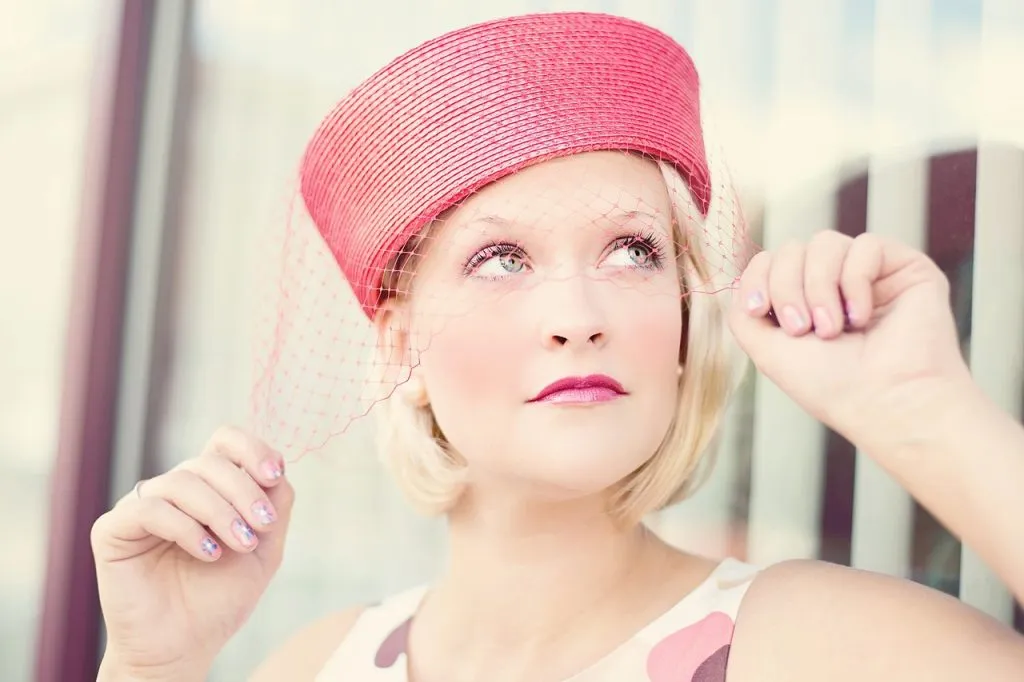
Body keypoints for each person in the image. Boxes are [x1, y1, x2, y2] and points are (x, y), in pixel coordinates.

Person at [91, 12, 1024, 682]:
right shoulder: (314, 667)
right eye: (501, 260)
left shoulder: (813, 645)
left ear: (685, 320)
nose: (579, 312)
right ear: (401, 343)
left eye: (632, 251)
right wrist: (149, 666)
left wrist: (924, 413)